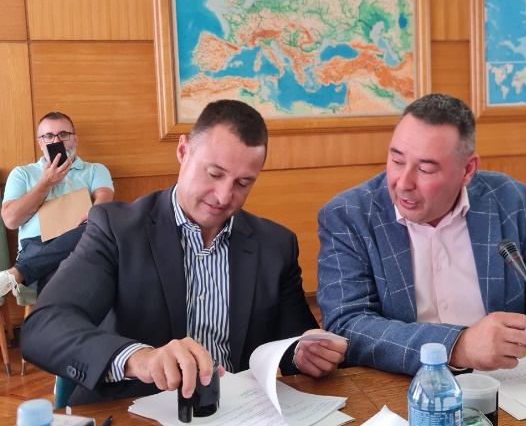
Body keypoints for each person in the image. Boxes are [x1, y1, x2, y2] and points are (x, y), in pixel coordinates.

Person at [21, 100, 347, 404]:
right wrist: (141, 359)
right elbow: (44, 327)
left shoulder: (276, 245)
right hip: (134, 409)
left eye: (242, 183)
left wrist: (307, 353)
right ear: (183, 150)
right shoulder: (116, 229)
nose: (224, 196)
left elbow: (292, 342)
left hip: (234, 411)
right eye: (214, 173)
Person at [316, 93, 526, 376]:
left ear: (467, 170)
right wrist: (457, 346)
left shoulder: (510, 199)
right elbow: (347, 325)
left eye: (424, 169)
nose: (403, 183)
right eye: (397, 161)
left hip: (510, 381)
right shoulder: (348, 215)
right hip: (403, 385)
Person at [1, 112, 114, 297]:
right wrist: (46, 183)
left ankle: (18, 273)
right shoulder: (22, 173)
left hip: (82, 238)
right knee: (63, 273)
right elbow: (11, 220)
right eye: (48, 136)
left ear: (75, 139)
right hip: (36, 245)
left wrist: (94, 213)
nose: (57, 141)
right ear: (40, 143)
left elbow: (105, 198)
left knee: (96, 226)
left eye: (63, 134)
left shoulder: (95, 169)